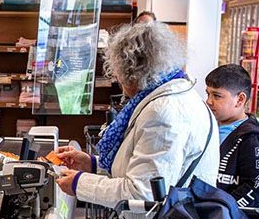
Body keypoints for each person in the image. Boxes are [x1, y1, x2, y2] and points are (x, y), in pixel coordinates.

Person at [55, 21, 218, 206]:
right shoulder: (180, 94)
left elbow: (142, 193)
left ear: (131, 73)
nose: (118, 80)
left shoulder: (162, 114)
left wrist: (79, 183)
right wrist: (91, 164)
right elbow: (146, 168)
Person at [205, 64, 259, 208]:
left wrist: (223, 211)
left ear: (240, 100)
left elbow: (257, 186)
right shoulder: (206, 126)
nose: (209, 101)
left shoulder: (252, 139)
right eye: (208, 94)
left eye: (217, 96)